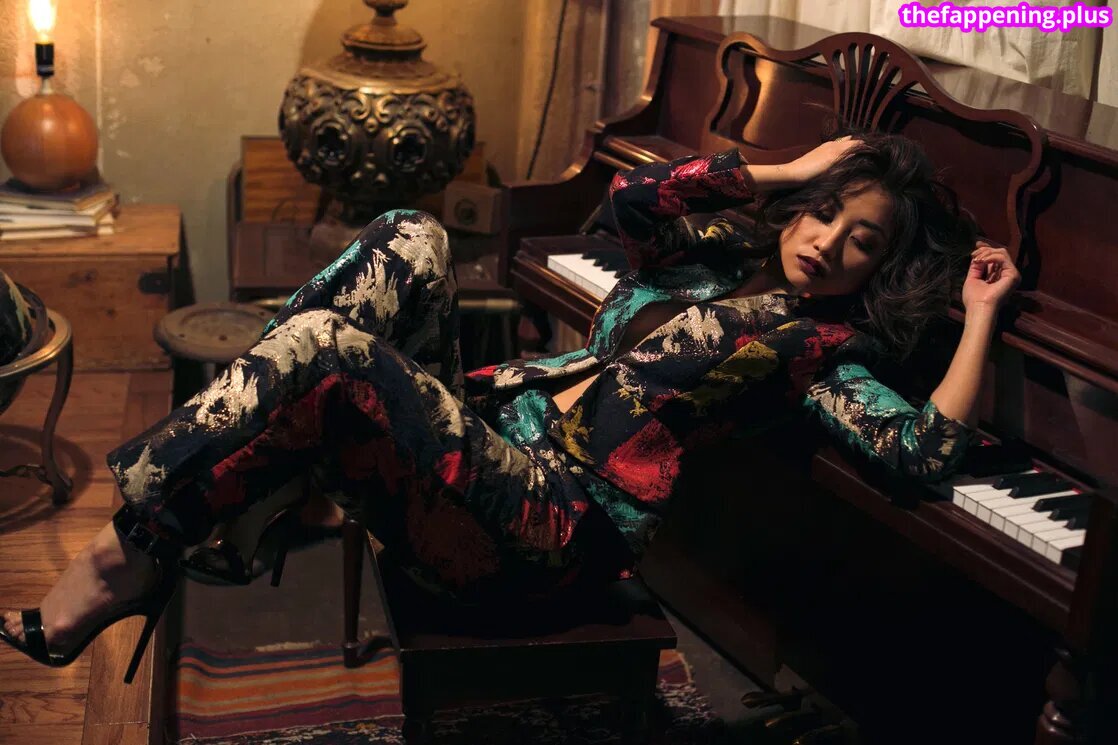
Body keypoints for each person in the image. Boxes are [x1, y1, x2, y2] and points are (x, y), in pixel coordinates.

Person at [1, 131, 1020, 683]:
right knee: (411, 235)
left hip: (545, 525)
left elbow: (923, 447)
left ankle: (138, 547)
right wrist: (786, 166)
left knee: (323, 350)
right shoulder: (717, 264)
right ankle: (247, 490)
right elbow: (626, 204)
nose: (826, 240)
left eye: (860, 240)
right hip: (487, 433)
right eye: (823, 213)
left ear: (881, 270)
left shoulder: (817, 351)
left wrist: (977, 315)